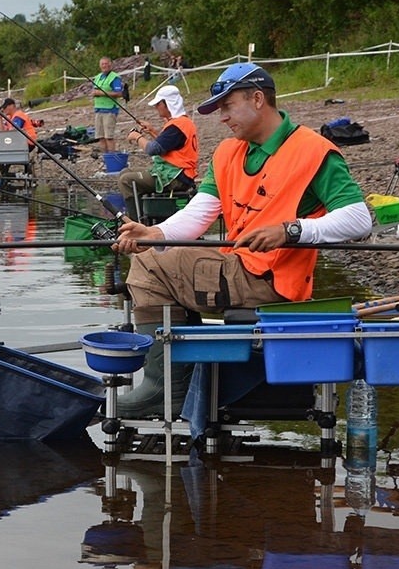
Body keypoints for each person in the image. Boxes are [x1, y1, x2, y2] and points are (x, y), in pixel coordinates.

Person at [111, 62, 373, 417]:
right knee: (152, 255)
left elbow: (358, 219)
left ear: (258, 98)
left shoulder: (313, 151)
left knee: (148, 267)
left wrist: (290, 230)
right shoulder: (228, 152)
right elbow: (201, 212)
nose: (221, 117)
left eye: (227, 105)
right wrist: (154, 233)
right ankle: (183, 381)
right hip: (234, 267)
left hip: (272, 282)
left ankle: (164, 390)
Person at [117, 84, 199, 221]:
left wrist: (137, 137)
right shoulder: (181, 123)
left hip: (177, 177)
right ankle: (144, 216)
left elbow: (152, 149)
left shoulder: (177, 126)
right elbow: (167, 146)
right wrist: (153, 132)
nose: (156, 107)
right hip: (176, 173)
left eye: (158, 104)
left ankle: (135, 223)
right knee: (124, 172)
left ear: (167, 104)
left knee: (126, 181)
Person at [91, 57, 125, 153]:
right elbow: (94, 90)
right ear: (100, 65)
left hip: (110, 110)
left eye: (106, 63)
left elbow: (119, 93)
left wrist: (101, 93)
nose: (105, 66)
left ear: (110, 64)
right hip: (98, 110)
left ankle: (112, 158)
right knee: (101, 137)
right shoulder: (97, 77)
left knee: (108, 137)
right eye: (103, 64)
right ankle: (105, 159)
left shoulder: (115, 78)